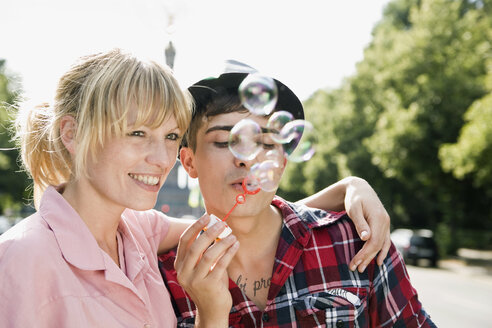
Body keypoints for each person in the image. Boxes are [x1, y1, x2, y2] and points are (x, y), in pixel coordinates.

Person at [0, 49, 390, 327]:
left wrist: (346, 189)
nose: (161, 158)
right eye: (137, 132)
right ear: (72, 133)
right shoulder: (19, 260)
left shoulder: (138, 233)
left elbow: (245, 218)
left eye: (170, 135)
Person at [159, 66, 437, 327]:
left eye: (267, 143)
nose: (248, 160)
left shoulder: (359, 241)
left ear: (282, 162)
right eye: (223, 141)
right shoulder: (163, 277)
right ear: (189, 162)